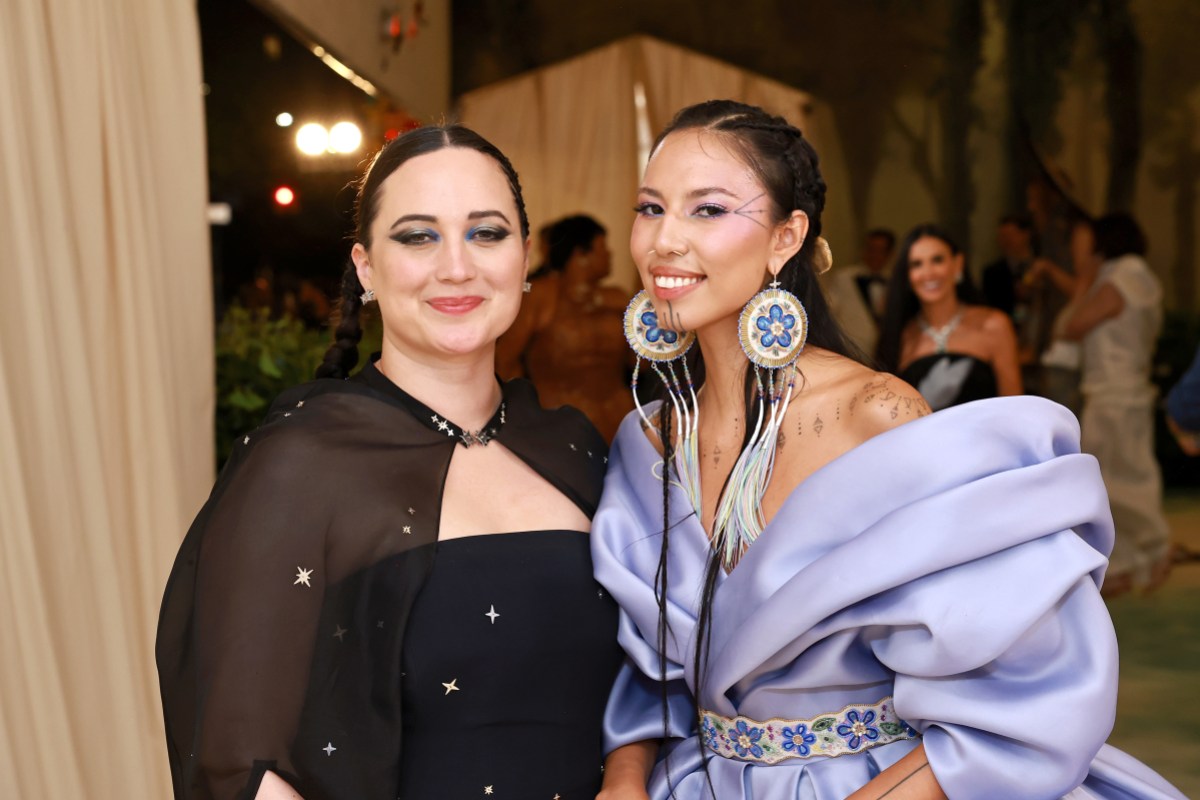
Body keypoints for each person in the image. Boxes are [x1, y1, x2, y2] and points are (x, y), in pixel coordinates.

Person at [592, 100, 1186, 800]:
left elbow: (1021, 682)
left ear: (786, 238)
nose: (664, 241)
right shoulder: (647, 441)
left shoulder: (875, 415)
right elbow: (644, 677)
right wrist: (623, 783)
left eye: (707, 210)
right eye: (650, 208)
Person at [157, 124, 634, 800]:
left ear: (524, 257)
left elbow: (650, 685)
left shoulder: (574, 446)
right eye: (417, 236)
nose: (456, 266)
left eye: (487, 233)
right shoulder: (300, 463)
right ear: (365, 268)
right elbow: (240, 761)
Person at [1043, 213, 1171, 597]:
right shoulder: (1128, 273)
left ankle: (1156, 546)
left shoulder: (1124, 276)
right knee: (1115, 478)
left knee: (1121, 478)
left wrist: (1083, 274)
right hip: (1116, 391)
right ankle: (1128, 564)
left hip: (1117, 394)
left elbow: (1072, 325)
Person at [497, 214, 632, 441]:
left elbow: (643, 365)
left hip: (619, 422)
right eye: (602, 247)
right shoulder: (539, 295)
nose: (610, 253)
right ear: (580, 254)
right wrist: (521, 419)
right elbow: (503, 361)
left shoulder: (617, 299)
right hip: (558, 427)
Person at [876, 224, 1022, 410]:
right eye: (916, 264)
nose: (928, 273)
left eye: (937, 260)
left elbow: (1014, 408)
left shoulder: (994, 325)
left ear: (957, 264)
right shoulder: (899, 335)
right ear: (907, 275)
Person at [820, 227, 894, 356]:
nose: (875, 255)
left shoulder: (894, 281)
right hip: (852, 351)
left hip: (886, 354)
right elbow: (829, 311)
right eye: (871, 249)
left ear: (889, 254)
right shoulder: (844, 278)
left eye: (881, 250)